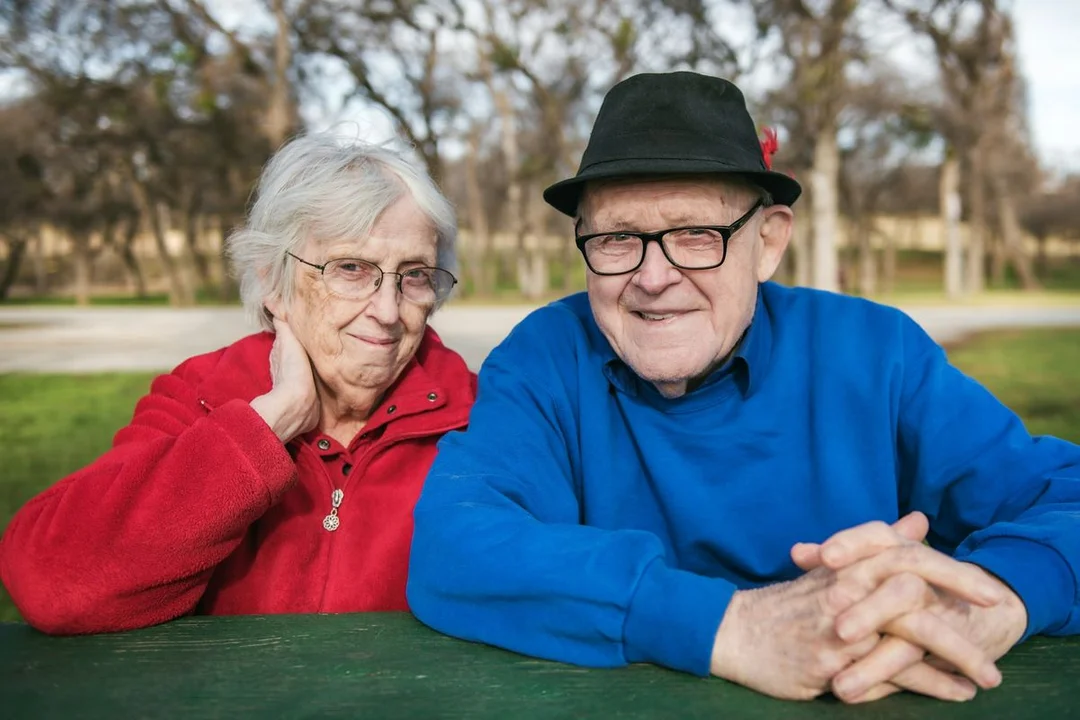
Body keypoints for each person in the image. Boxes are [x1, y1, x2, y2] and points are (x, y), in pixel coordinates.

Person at [406, 71, 1080, 704]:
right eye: (617, 239)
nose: (652, 276)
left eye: (697, 235)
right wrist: (730, 626)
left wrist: (994, 599)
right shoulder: (545, 357)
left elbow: (1063, 495)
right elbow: (456, 543)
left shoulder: (875, 351)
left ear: (768, 243)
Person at [0, 132, 476, 634]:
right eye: (351, 268)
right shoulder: (204, 392)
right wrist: (266, 425)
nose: (386, 312)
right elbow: (50, 583)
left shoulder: (479, 415)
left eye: (415, 274)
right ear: (273, 280)